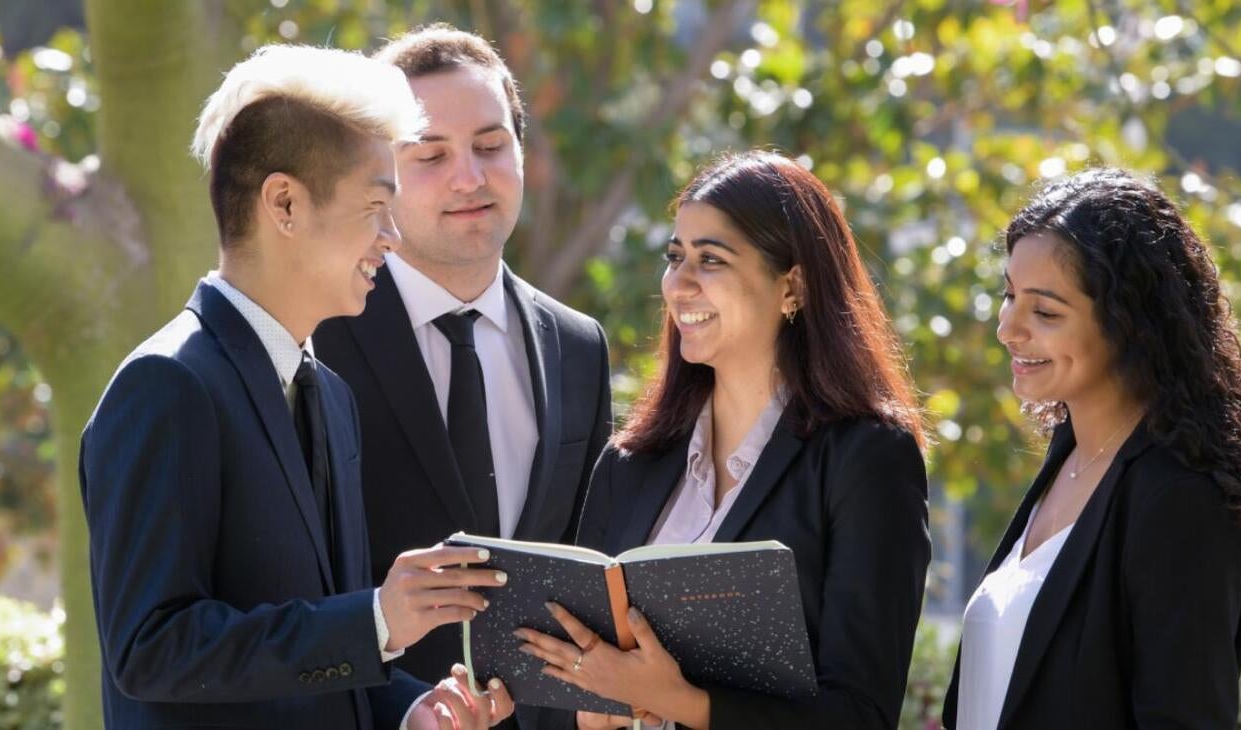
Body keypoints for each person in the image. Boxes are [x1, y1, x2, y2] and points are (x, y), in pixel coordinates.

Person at [79, 44, 517, 730]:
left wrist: (410, 710)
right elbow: (150, 650)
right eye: (376, 205)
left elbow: (318, 652)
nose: (392, 238)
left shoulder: (331, 396)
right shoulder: (165, 386)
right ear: (283, 202)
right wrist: (374, 619)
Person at [516, 150, 932, 729]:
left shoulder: (867, 459)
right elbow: (556, 695)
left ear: (794, 286)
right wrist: (591, 715)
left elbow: (860, 714)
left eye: (710, 260)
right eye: (675, 256)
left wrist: (682, 703)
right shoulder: (629, 462)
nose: (679, 285)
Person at [944, 168, 1241, 729]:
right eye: (1009, 296)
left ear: (1130, 325)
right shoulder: (1069, 458)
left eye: (1045, 312)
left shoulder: (1181, 499)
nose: (1008, 329)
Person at [313, 23, 614, 698]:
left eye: (489, 145)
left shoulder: (579, 347)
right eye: (430, 155)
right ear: (379, 176)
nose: (470, 177)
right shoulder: (318, 337)